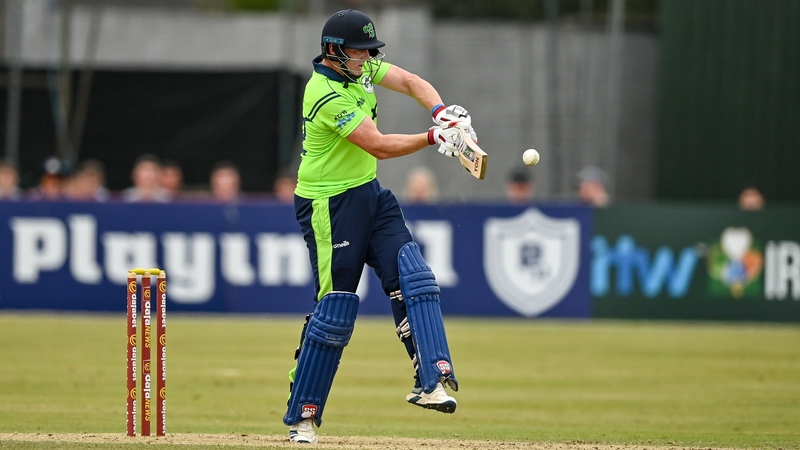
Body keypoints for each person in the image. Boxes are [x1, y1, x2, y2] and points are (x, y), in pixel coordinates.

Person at [284, 9, 474, 443]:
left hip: (370, 193)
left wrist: (441, 113)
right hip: (328, 204)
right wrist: (432, 138)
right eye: (359, 51)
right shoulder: (324, 92)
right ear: (334, 52)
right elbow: (377, 145)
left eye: (371, 51)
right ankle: (304, 413)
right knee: (335, 307)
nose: (367, 58)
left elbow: (410, 82)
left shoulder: (360, 68)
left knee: (414, 275)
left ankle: (430, 381)